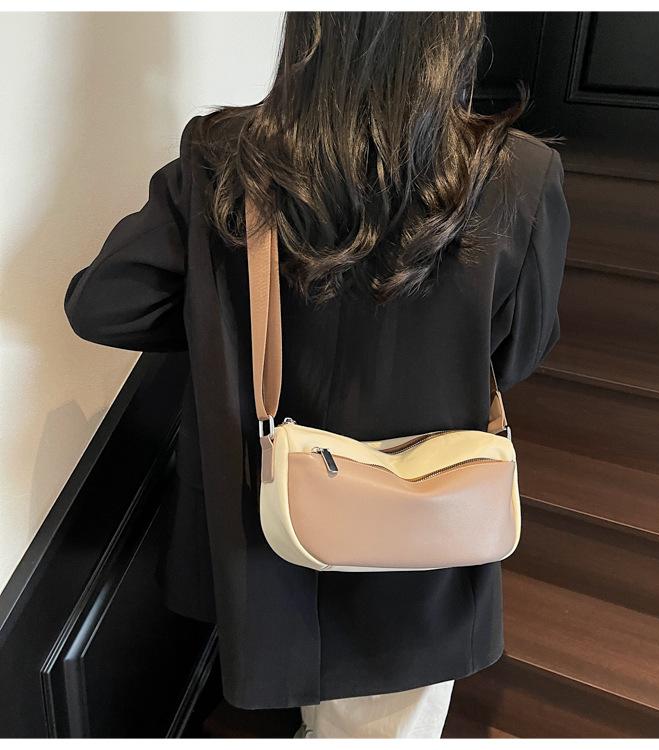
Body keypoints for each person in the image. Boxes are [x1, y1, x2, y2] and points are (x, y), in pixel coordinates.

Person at [63, 11, 569, 739]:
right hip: (418, 544)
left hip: (267, 535)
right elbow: (519, 352)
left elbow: (103, 305)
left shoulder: (225, 158)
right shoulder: (516, 173)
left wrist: (223, 317)